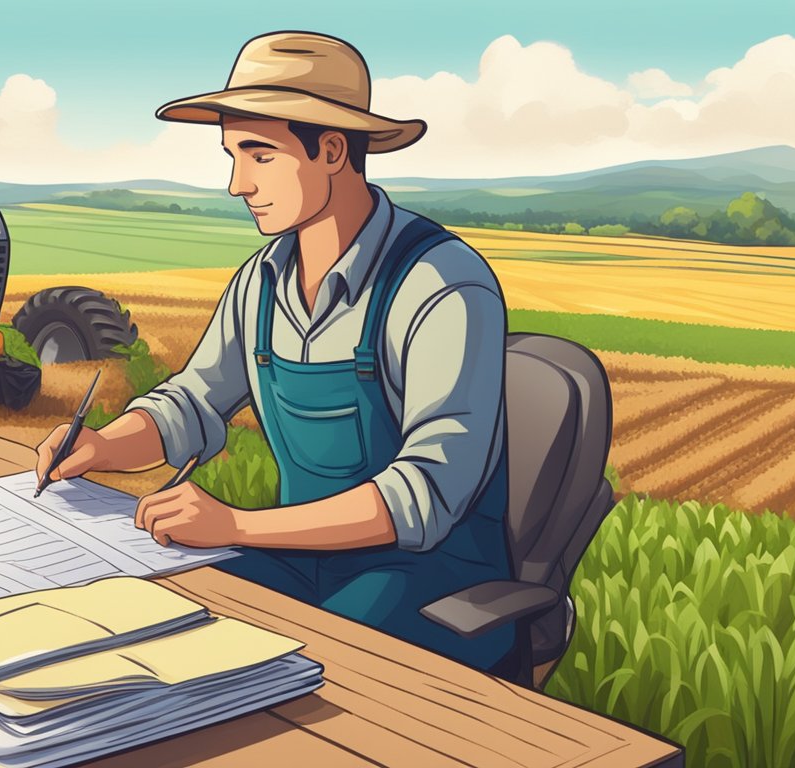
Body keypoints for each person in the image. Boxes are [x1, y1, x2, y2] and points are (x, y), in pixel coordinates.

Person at [34, 31, 515, 670]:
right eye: (232, 155)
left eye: (259, 155)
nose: (237, 184)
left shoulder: (440, 283)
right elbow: (191, 403)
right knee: (157, 639)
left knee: (290, 678)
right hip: (299, 556)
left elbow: (423, 495)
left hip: (430, 580)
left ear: (333, 151)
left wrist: (235, 528)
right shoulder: (261, 281)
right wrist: (104, 446)